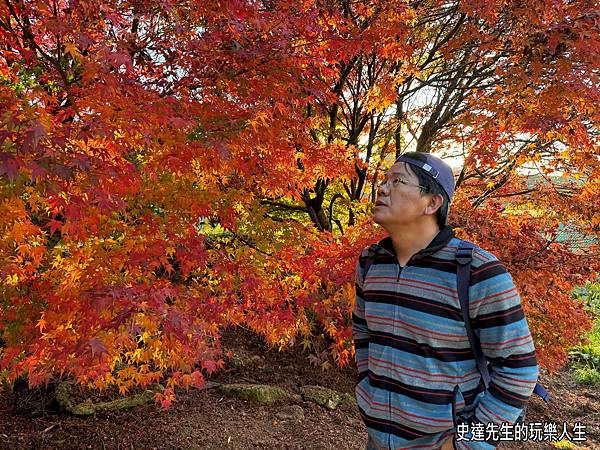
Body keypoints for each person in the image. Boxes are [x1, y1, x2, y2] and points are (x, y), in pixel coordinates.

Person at [352, 152, 539, 449]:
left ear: (432, 203)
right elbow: (363, 332)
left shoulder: (476, 270)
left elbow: (519, 369)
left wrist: (467, 444)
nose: (382, 188)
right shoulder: (372, 262)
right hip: (377, 438)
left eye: (397, 181)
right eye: (384, 180)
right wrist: (366, 388)